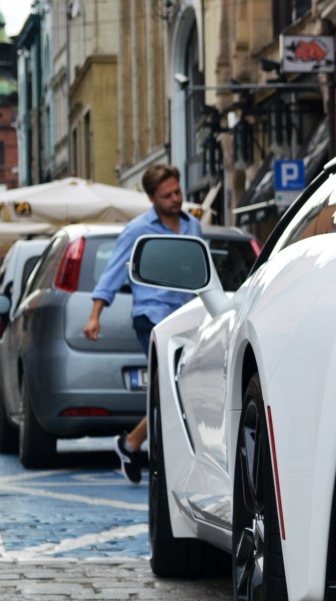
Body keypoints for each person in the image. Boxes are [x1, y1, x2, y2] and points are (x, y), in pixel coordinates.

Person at [83, 163, 201, 483]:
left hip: (188, 315)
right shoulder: (137, 230)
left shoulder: (193, 226)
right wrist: (94, 316)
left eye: (178, 192)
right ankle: (144, 447)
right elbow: (111, 276)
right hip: (152, 316)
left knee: (181, 386)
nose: (176, 199)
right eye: (167, 195)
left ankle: (131, 443)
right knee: (173, 383)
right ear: (152, 198)